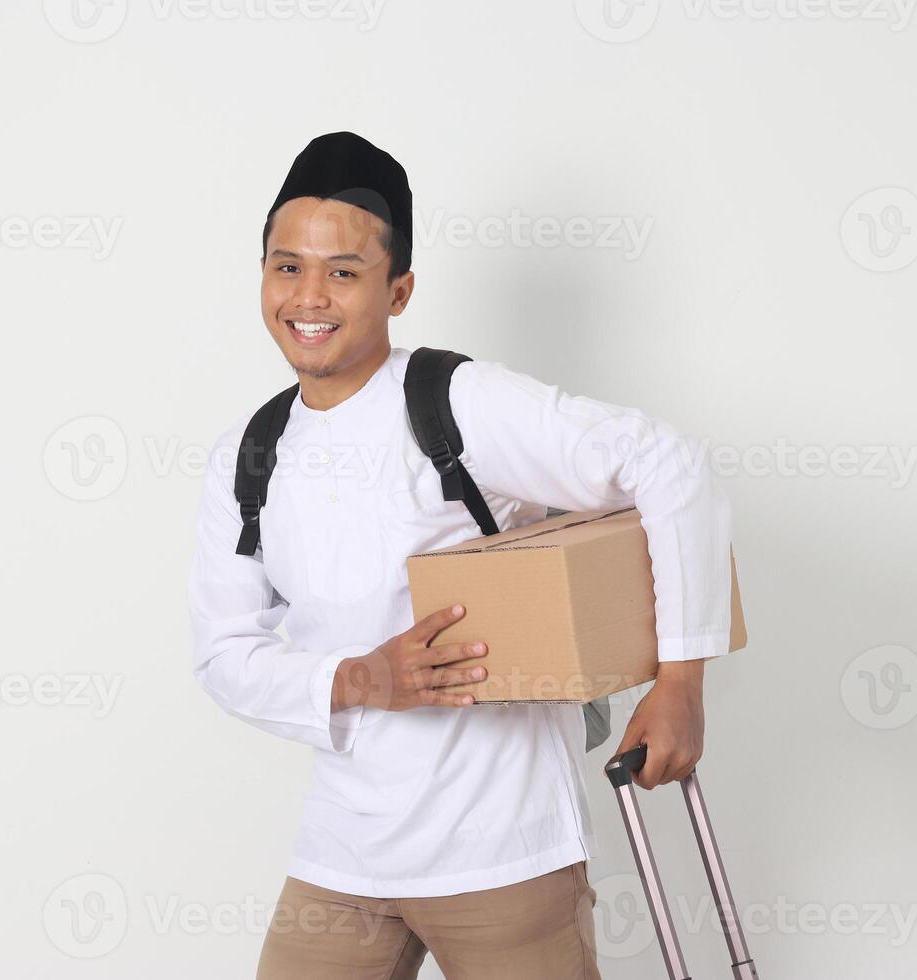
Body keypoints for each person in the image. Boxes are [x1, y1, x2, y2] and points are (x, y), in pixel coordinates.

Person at [187, 131, 734, 979]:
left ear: (398, 289)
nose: (310, 296)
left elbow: (668, 462)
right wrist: (359, 680)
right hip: (344, 855)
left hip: (501, 852)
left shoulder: (454, 403)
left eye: (345, 272)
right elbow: (223, 652)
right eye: (286, 266)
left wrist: (681, 682)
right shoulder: (248, 452)